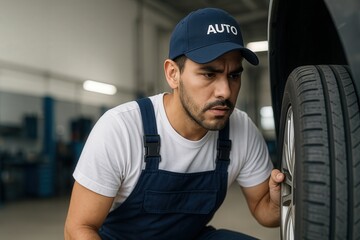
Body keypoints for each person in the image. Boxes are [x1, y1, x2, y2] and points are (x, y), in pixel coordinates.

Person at [64, 7, 284, 240]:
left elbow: (264, 211)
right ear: (173, 74)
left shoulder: (241, 129)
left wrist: (281, 201)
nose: (226, 91)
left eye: (234, 75)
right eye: (209, 74)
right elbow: (78, 228)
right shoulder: (121, 128)